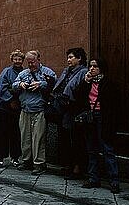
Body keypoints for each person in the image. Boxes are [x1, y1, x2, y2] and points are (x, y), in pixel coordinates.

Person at [75, 57, 120, 193]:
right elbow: (77, 96)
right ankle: (93, 178)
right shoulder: (88, 82)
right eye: (90, 66)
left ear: (101, 68)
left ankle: (114, 181)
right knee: (91, 149)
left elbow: (114, 104)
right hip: (90, 118)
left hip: (103, 118)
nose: (92, 69)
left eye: (95, 66)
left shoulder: (108, 83)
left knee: (107, 149)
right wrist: (85, 82)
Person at [13, 50, 56, 175]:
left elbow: (54, 85)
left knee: (38, 138)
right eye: (28, 62)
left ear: (38, 60)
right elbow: (14, 85)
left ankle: (39, 163)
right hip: (25, 109)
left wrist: (41, 84)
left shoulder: (47, 72)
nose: (30, 65)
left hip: (39, 110)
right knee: (25, 138)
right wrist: (20, 84)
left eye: (32, 62)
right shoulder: (23, 73)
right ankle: (26, 160)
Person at [51, 48, 88, 179]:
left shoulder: (83, 72)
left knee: (76, 139)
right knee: (65, 138)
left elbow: (77, 90)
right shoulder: (67, 71)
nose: (69, 60)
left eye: (71, 57)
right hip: (63, 108)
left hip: (75, 108)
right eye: (68, 57)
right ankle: (68, 165)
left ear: (79, 59)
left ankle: (77, 168)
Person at [0, 49, 25, 168]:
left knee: (16, 132)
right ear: (12, 60)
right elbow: (2, 88)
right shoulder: (6, 72)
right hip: (3, 106)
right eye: (15, 59)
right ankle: (0, 156)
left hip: (17, 107)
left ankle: (15, 157)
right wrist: (11, 100)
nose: (17, 61)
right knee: (2, 132)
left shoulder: (24, 72)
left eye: (20, 59)